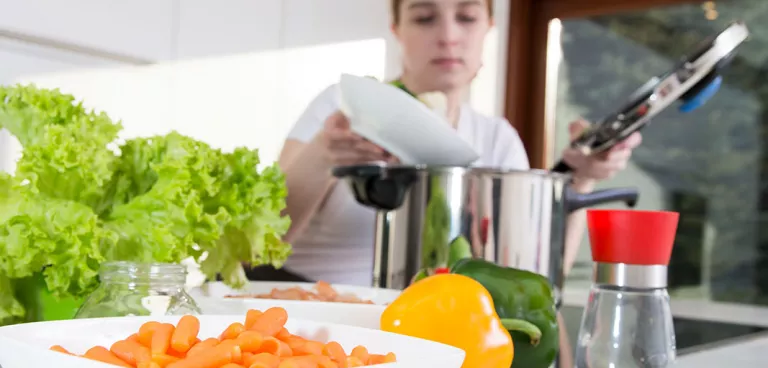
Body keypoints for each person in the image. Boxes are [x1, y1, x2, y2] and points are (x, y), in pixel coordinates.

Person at [259, 0, 642, 285]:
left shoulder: (497, 138)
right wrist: (324, 153)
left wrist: (582, 179)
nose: (447, 36)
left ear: (488, 27)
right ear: (396, 29)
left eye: (467, 17)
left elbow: (532, 272)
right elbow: (257, 245)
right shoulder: (342, 107)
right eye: (425, 18)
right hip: (319, 313)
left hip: (437, 327)